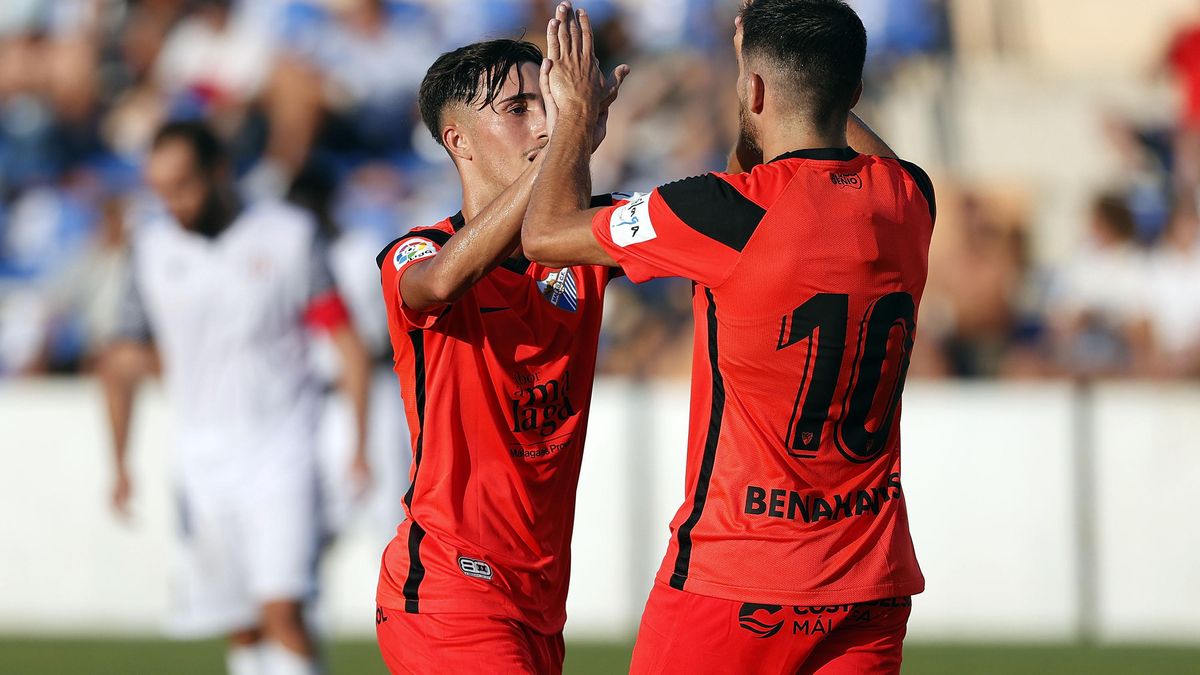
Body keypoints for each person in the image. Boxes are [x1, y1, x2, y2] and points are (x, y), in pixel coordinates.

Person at [523, 2, 934, 672]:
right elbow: (810, 146)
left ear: (755, 90)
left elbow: (544, 234)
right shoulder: (909, 199)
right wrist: (777, 72)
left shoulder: (723, 211)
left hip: (737, 581)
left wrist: (572, 114)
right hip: (870, 582)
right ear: (854, 93)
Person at [371, 38, 626, 674]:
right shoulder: (417, 251)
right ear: (458, 140)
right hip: (450, 589)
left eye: (551, 105)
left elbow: (724, 209)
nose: (544, 123)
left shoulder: (580, 245)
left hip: (539, 601)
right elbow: (436, 283)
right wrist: (569, 144)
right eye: (518, 108)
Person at [100, 120, 371, 675]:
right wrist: (120, 461)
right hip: (201, 461)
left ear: (218, 172)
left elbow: (343, 341)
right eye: (160, 189)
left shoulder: (288, 234)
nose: (171, 202)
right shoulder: (150, 248)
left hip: (283, 449)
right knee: (241, 621)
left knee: (283, 610)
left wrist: (359, 444)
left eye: (183, 186)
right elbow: (122, 359)